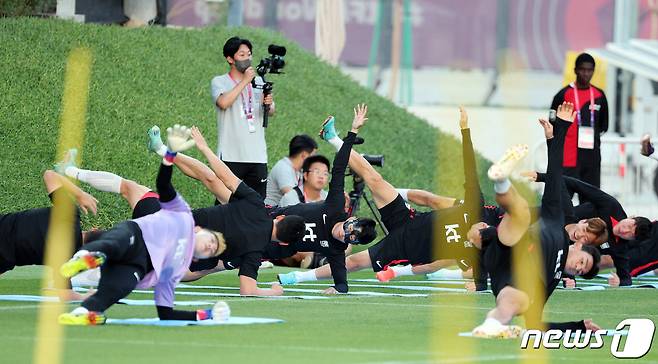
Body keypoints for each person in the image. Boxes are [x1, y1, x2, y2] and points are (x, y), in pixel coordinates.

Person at [277, 107, 487, 287]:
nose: (482, 229)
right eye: (484, 227)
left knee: (353, 262)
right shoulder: (475, 207)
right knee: (374, 179)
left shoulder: (480, 247)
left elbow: (484, 274)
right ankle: (332, 137)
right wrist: (465, 130)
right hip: (408, 218)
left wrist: (476, 286)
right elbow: (469, 170)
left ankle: (296, 277)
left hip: (404, 246)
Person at [58, 125, 228, 325]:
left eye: (212, 251)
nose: (211, 246)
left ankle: (84, 312)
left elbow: (165, 313)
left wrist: (206, 314)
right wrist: (169, 153)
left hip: (136, 266)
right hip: (136, 235)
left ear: (198, 259)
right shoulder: (184, 216)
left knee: (121, 287)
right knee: (114, 242)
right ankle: (85, 258)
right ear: (198, 229)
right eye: (212, 240)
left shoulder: (177, 268)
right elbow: (163, 184)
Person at [472, 102, 602, 338]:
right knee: (520, 212)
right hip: (517, 239)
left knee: (515, 304)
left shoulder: (552, 281)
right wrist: (559, 131)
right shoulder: (558, 220)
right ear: (579, 246)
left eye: (582, 271)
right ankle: (501, 179)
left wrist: (578, 326)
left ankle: (492, 325)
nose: (579, 268)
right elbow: (555, 177)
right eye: (583, 261)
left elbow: (535, 325)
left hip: (505, 268)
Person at [180, 126, 306, 296]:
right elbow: (248, 291)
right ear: (283, 242)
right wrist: (274, 291)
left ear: (280, 217)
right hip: (186, 252)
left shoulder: (255, 203)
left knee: (137, 194)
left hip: (181, 221)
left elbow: (226, 177)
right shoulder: (254, 251)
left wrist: (204, 148)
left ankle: (164, 152)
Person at [270, 105, 377, 293]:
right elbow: (339, 167)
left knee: (218, 262)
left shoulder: (337, 247)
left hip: (274, 248)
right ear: (350, 219)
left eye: (351, 238)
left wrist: (339, 288)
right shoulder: (335, 206)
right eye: (349, 230)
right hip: (269, 220)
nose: (344, 235)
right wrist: (352, 132)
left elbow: (342, 282)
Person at [211, 36, 275, 199]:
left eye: (249, 54)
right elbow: (223, 102)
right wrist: (245, 81)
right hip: (231, 155)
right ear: (230, 59)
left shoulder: (259, 81)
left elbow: (270, 110)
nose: (247, 58)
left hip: (257, 156)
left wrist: (268, 102)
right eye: (242, 55)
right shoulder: (220, 81)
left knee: (257, 204)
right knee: (227, 203)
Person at [0, 168, 96, 276]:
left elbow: (49, 175)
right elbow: (65, 293)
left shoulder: (70, 214)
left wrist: (80, 195)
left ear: (94, 229)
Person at [550, 52, 608, 190]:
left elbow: (603, 126)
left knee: (590, 205)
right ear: (575, 70)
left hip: (591, 161)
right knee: (564, 203)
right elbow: (552, 123)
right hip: (567, 160)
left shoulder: (599, 95)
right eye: (582, 69)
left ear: (594, 71)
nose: (586, 73)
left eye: (589, 70)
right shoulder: (562, 95)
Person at [264, 134, 318, 206]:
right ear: (304, 155)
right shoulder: (283, 168)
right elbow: (292, 197)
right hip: (272, 212)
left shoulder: (300, 170)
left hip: (286, 211)